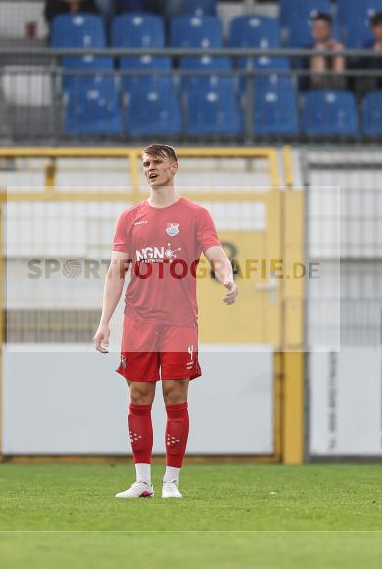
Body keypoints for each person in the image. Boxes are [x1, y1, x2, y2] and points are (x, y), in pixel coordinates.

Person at [93, 144, 238, 499]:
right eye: (146, 163)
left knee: (175, 393)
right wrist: (104, 321)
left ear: (174, 167)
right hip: (139, 321)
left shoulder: (195, 214)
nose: (150, 168)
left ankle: (171, 482)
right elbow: (116, 271)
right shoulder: (130, 218)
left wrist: (228, 277)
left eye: (157, 162)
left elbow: (217, 255)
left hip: (179, 322)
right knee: (139, 394)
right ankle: (142, 481)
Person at [305, 12, 346, 91]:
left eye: (322, 27)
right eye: (315, 27)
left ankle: (338, 90)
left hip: (338, 85)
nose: (319, 30)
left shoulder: (335, 47)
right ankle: (321, 90)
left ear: (330, 29)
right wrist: (321, 48)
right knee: (319, 49)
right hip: (314, 86)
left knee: (339, 48)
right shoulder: (306, 48)